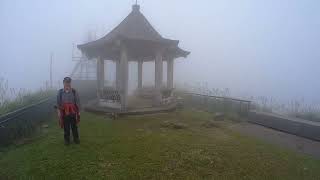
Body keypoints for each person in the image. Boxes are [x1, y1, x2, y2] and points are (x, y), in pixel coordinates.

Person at [56, 77, 81, 145]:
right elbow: (58, 104)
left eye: (68, 82)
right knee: (66, 127)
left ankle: (76, 139)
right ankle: (67, 140)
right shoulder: (60, 92)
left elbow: (77, 102)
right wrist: (59, 113)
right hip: (64, 113)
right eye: (66, 82)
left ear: (70, 83)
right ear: (63, 83)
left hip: (73, 112)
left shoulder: (74, 91)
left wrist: (78, 112)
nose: (67, 84)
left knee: (74, 127)